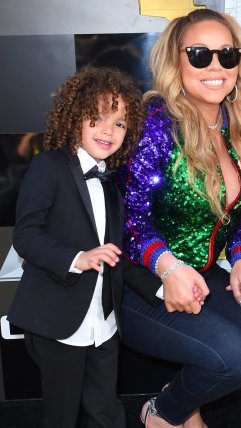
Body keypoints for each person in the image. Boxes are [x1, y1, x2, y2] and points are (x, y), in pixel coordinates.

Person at [119, 8, 241, 428]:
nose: (216, 66)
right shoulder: (155, 125)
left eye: (228, 54)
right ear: (175, 60)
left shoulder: (238, 125)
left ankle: (182, 402)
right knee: (236, 360)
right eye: (200, 54)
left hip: (204, 277)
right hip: (141, 285)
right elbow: (130, 221)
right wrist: (168, 267)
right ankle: (163, 415)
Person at [8, 66, 144, 428]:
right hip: (57, 321)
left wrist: (164, 287)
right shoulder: (49, 166)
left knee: (105, 411)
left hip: (105, 322)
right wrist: (77, 258)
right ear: (74, 118)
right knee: (62, 416)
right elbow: (26, 236)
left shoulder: (111, 184)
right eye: (97, 118)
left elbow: (118, 258)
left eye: (119, 123)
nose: (108, 131)